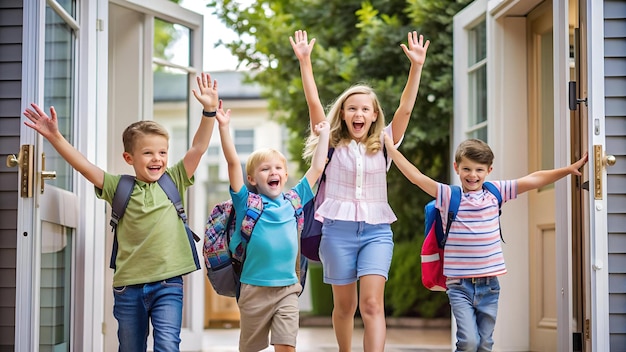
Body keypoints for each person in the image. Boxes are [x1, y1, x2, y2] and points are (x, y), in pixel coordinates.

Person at [23, 72, 220, 351]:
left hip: (168, 284)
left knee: (167, 345)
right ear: (129, 158)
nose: (158, 159)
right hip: (129, 288)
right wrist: (55, 137)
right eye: (149, 153)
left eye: (163, 152)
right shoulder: (119, 187)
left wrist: (209, 110)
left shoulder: (174, 179)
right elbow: (84, 167)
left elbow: (198, 148)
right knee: (130, 347)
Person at [290, 29, 430, 351]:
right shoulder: (330, 143)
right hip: (336, 232)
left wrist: (416, 67)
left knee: (371, 305)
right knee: (344, 308)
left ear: (374, 115)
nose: (359, 114)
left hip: (376, 232)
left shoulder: (384, 145)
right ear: (342, 113)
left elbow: (405, 109)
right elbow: (313, 102)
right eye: (352, 108)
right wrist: (305, 62)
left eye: (366, 109)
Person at [382, 135, 588, 351]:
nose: (473, 175)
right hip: (459, 286)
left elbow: (534, 179)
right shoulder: (448, 195)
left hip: (489, 286)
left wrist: (567, 170)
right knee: (469, 342)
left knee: (485, 343)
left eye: (479, 169)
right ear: (457, 167)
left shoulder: (495, 192)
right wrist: (391, 149)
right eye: (467, 169)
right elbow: (416, 176)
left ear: (489, 170)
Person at [214, 100, 330, 352]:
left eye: (278, 168)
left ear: (285, 176)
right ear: (252, 179)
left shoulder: (295, 200)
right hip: (253, 289)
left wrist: (324, 136)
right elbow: (233, 163)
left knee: (287, 346)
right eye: (265, 169)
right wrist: (223, 127)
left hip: (288, 289)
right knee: (251, 349)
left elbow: (318, 167)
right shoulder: (248, 202)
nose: (273, 172)